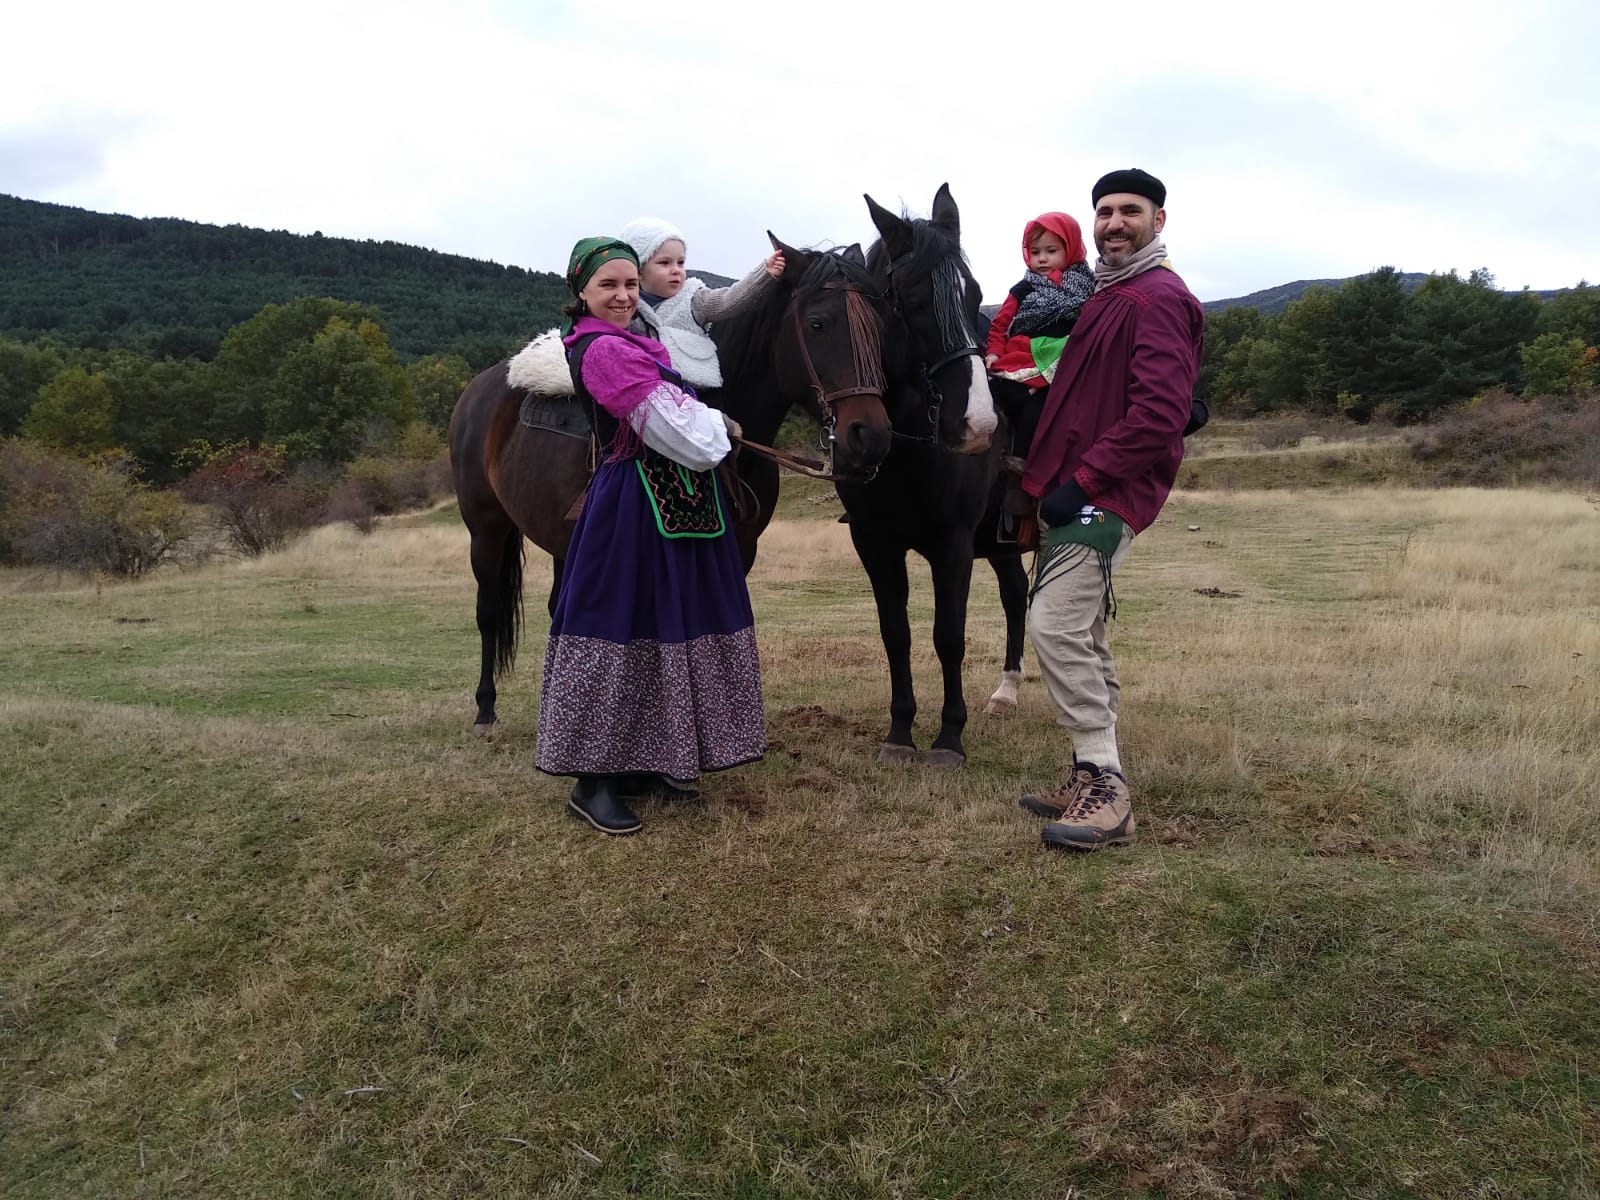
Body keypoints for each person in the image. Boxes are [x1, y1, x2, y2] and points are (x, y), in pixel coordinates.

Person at [536, 236, 766, 836]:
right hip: (633, 507)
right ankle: (592, 781)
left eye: (629, 285)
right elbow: (679, 432)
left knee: (669, 624)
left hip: (676, 504)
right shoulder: (603, 351)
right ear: (581, 293)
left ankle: (649, 758)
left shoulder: (636, 342)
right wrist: (721, 425)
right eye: (607, 285)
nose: (622, 295)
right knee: (618, 622)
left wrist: (708, 424)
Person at [1016, 169, 1205, 852]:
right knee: (1085, 629)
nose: (1114, 222)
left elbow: (1156, 414)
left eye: (1131, 210)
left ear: (1160, 220)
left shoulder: (1156, 296)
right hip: (1076, 487)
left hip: (1105, 495)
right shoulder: (1109, 293)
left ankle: (1107, 787)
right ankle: (1086, 770)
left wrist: (1084, 481)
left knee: (1055, 622)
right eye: (1104, 212)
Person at [619, 217, 784, 393]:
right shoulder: (626, 305)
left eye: (680, 262)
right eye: (664, 263)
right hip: (643, 392)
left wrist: (765, 272)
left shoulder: (694, 298)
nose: (676, 270)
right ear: (638, 270)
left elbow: (728, 300)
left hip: (695, 395)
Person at [984, 212, 1095, 458]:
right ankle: (1019, 469)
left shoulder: (1091, 287)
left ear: (1071, 247)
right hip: (1025, 362)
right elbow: (1000, 326)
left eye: (1051, 251)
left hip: (1070, 366)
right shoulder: (1023, 289)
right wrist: (993, 351)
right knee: (1029, 415)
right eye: (1035, 252)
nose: (1042, 259)